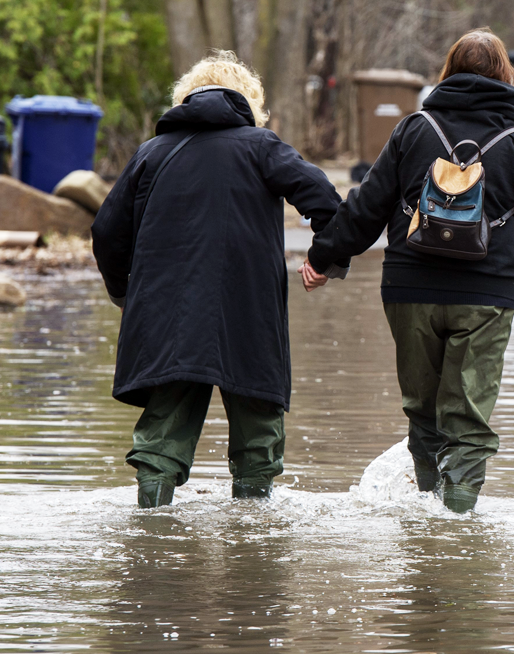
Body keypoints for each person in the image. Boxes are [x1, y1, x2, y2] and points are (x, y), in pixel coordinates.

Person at [297, 28, 514, 513]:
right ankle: (455, 525)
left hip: (409, 289)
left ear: (448, 72)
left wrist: (323, 258)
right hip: (487, 297)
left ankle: (427, 517)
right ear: (506, 74)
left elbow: (366, 207)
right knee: (468, 419)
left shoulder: (414, 130)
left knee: (423, 414)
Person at [91, 51, 345, 508]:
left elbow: (106, 231)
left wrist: (124, 292)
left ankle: (151, 529)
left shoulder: (151, 153)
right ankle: (254, 543)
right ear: (249, 102)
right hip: (248, 309)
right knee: (258, 435)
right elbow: (326, 201)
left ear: (184, 98)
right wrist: (325, 260)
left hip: (167, 310)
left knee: (161, 438)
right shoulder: (262, 146)